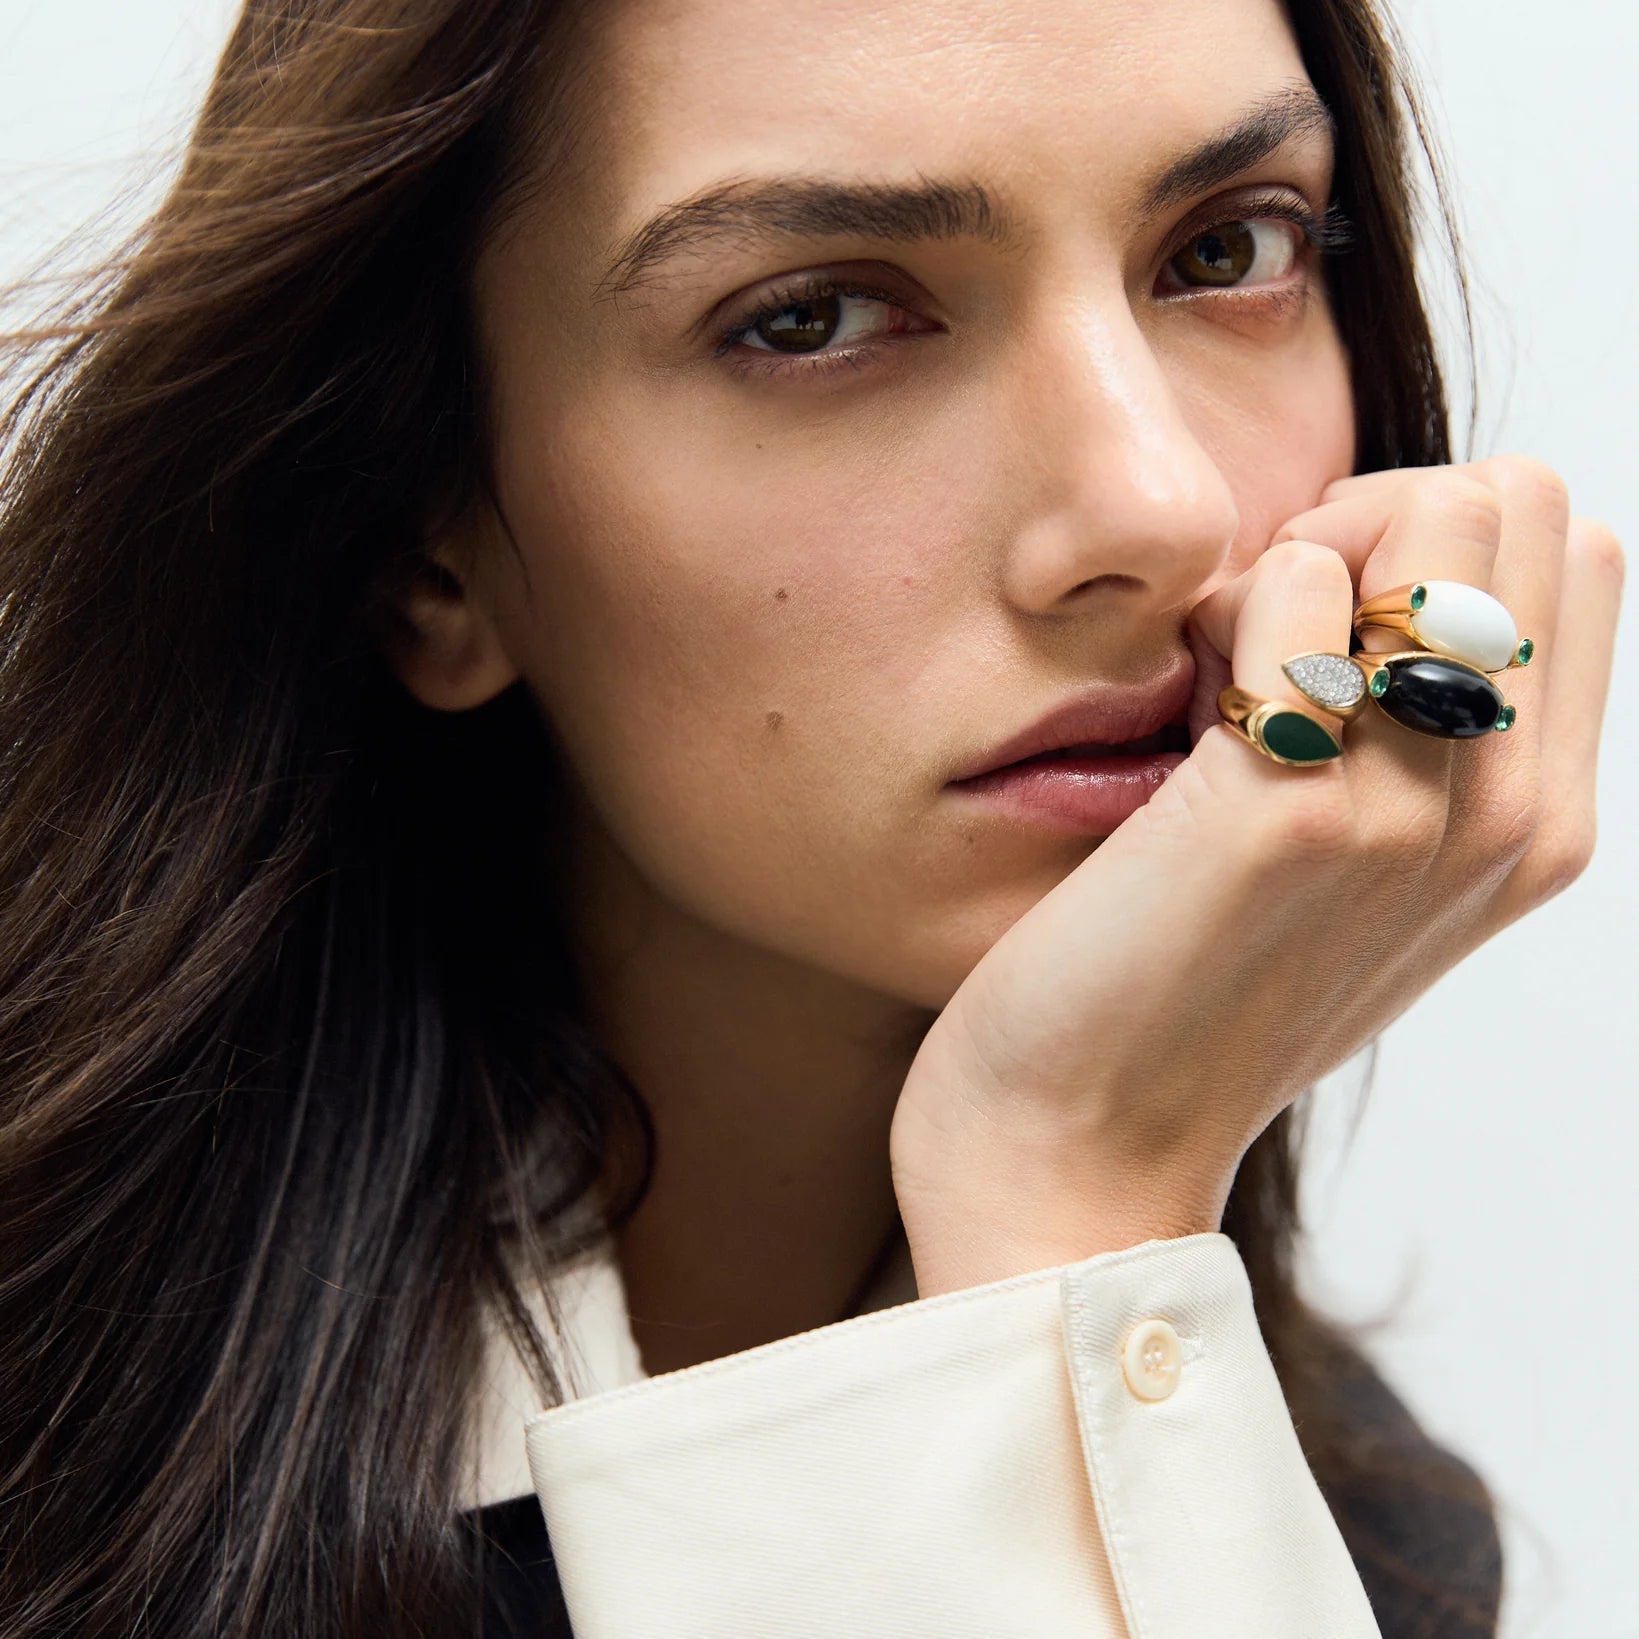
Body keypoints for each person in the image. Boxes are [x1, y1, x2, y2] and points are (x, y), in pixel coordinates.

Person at [0, 0, 1623, 1633]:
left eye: (1227, 252)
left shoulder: (1341, 1537)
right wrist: (1067, 1220)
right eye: (816, 316)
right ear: (425, 548)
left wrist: (1065, 1222)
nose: (1161, 506)